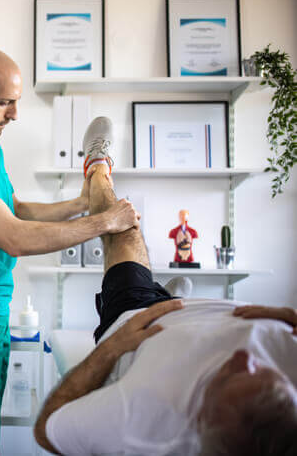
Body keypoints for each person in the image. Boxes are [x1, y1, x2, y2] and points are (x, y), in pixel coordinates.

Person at [0, 46, 140, 455]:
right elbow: (14, 235)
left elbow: (15, 208)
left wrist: (81, 204)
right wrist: (105, 223)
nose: (15, 113)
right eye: (5, 102)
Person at [33, 119, 297, 455]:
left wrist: (111, 348)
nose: (246, 355)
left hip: (140, 318)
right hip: (193, 313)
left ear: (198, 420)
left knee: (124, 228)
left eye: (231, 373)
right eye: (266, 370)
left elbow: (46, 429)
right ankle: (171, 297)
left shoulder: (143, 419)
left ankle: (96, 166)